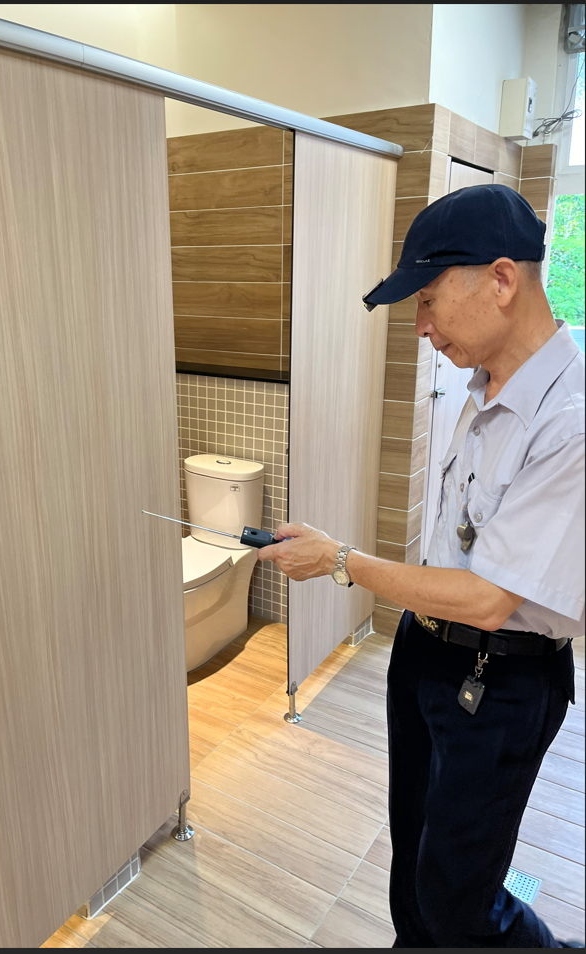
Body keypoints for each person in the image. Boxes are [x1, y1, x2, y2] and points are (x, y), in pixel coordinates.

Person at [258, 185, 585, 949]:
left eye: (430, 300)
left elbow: (491, 597)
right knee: (414, 868)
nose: (421, 326)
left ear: (500, 280)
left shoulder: (568, 420)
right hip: (426, 654)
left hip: (502, 679)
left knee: (460, 900)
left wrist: (341, 560)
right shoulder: (482, 384)